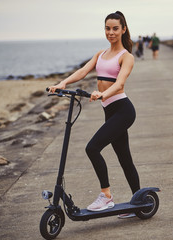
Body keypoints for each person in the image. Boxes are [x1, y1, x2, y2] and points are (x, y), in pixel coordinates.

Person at [48, 11, 139, 218]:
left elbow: (120, 84)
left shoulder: (126, 56)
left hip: (123, 110)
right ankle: (138, 201)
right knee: (125, 158)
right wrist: (63, 83)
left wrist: (102, 94)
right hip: (111, 111)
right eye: (107, 28)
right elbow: (82, 71)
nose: (111, 32)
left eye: (115, 28)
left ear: (123, 29)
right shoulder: (101, 54)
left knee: (92, 148)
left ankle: (106, 196)